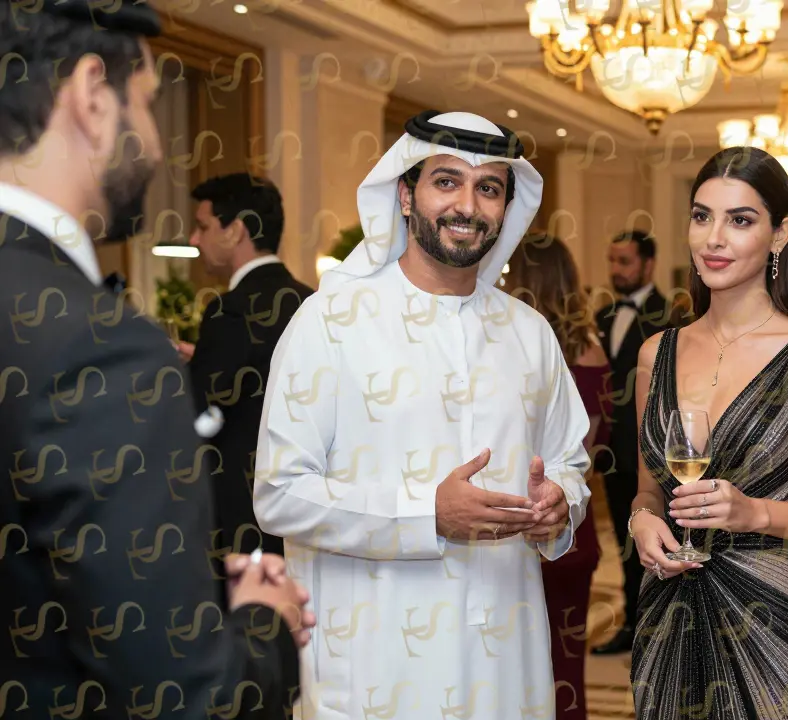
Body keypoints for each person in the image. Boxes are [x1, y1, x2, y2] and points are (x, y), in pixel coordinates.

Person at [0, 2, 312, 717]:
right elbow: (190, 695)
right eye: (145, 102)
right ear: (91, 96)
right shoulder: (102, 346)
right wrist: (267, 619)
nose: (155, 140)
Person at [254, 110, 591, 719]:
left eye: (489, 187)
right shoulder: (331, 322)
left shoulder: (528, 332)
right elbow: (279, 492)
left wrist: (559, 505)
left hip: (502, 661)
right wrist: (425, 513)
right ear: (405, 195)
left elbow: (570, 461)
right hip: (374, 666)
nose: (468, 204)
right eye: (446, 181)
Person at [628, 146, 788, 719]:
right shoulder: (656, 354)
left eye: (739, 220)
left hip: (774, 621)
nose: (713, 238)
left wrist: (757, 515)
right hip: (666, 613)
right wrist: (642, 519)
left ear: (780, 234)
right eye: (702, 216)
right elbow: (651, 487)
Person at [503, 231, 612, 720]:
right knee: (566, 671)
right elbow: (592, 448)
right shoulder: (592, 350)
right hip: (572, 523)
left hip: (517, 526)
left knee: (515, 674)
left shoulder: (512, 348)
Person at [181, 173, 313, 557]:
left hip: (240, 519)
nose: (194, 239)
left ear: (236, 230)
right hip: (302, 518)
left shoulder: (230, 309)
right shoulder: (313, 302)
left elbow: (199, 417)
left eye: (203, 226)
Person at [592, 229, 687, 655]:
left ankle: (658, 625)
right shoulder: (603, 317)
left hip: (651, 453)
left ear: (648, 265)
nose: (616, 270)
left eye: (625, 262)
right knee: (622, 541)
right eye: (612, 261)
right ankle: (631, 621)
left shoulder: (671, 317)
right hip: (611, 451)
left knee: (654, 540)